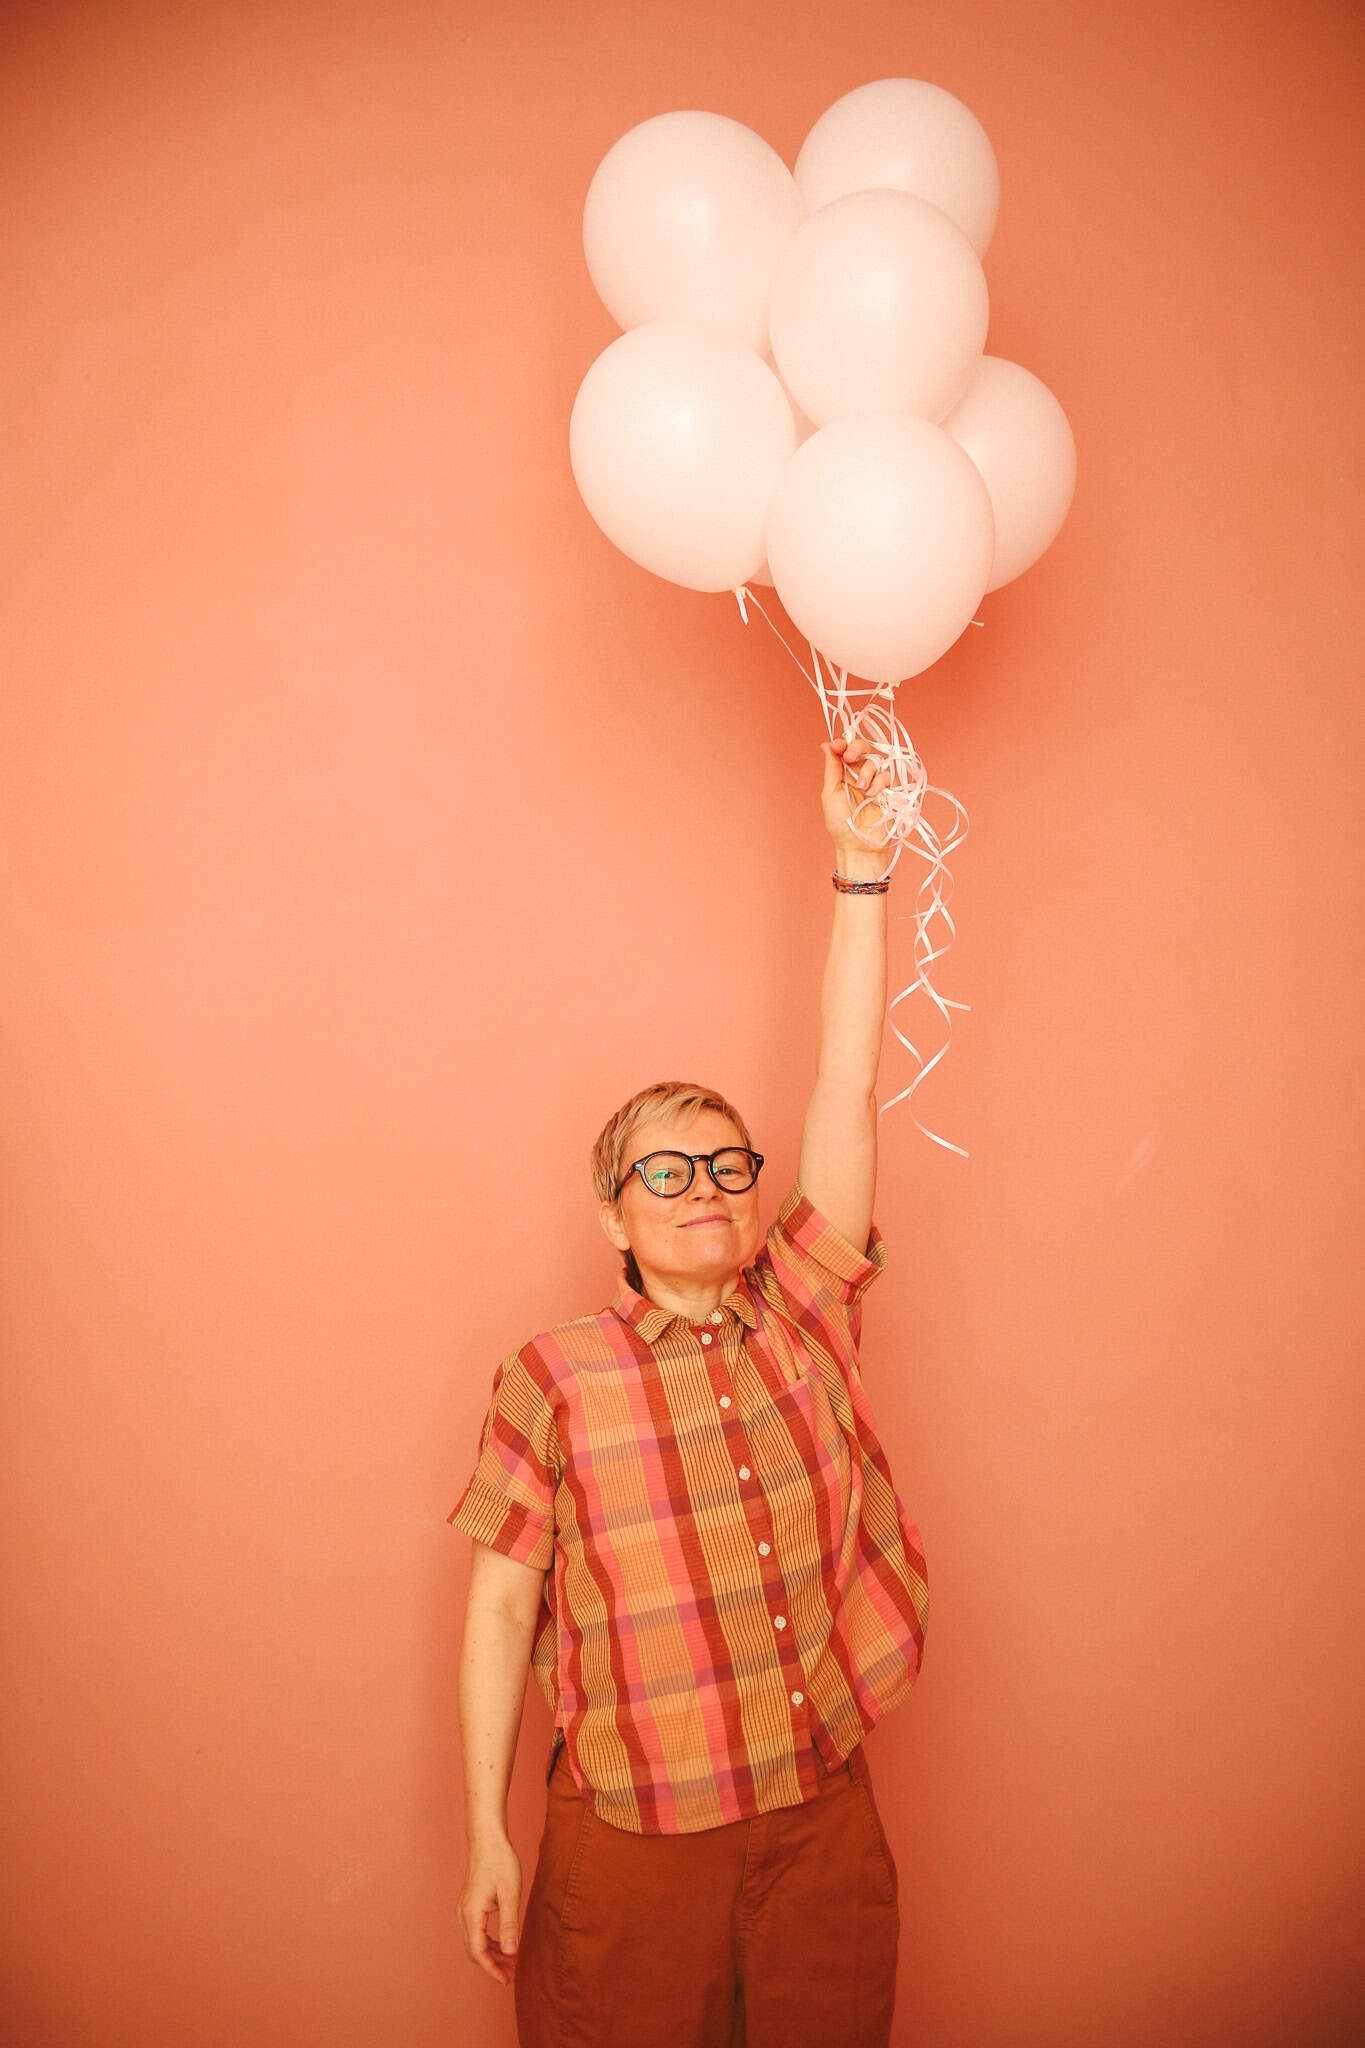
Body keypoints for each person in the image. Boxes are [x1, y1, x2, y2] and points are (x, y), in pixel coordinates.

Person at [449, 731, 930, 2048]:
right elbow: (500, 1610)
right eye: (665, 1172)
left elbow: (847, 1082)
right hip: (633, 1842)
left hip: (816, 1821)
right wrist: (487, 1829)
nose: (704, 1190)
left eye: (725, 1165)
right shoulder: (552, 1375)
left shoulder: (805, 1312)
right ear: (612, 1212)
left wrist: (858, 878)